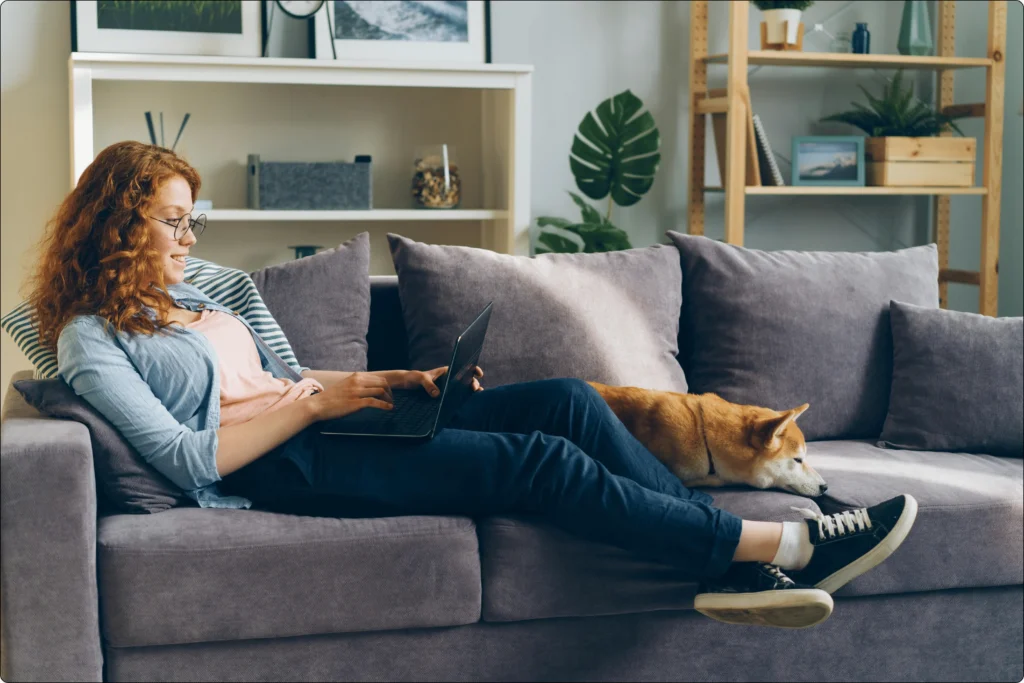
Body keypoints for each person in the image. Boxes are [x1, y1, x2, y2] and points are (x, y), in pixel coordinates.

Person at [30, 141, 917, 629]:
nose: (190, 237)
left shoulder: (212, 286)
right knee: (535, 462)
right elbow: (187, 460)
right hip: (279, 464)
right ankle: (776, 550)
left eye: (196, 219)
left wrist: (390, 381)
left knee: (568, 398)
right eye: (174, 222)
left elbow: (289, 375)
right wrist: (311, 405)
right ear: (116, 224)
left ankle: (718, 558)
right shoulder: (88, 337)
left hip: (321, 418)